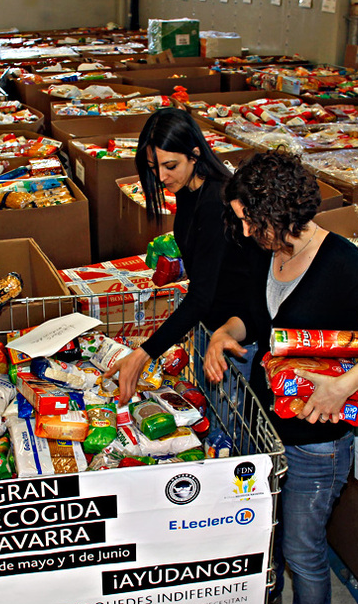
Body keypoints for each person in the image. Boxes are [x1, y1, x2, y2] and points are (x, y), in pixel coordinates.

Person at [204, 150, 358, 604]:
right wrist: (225, 333)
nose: (243, 231)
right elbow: (258, 321)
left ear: (277, 213)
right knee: (270, 540)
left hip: (317, 443)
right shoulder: (270, 251)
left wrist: (341, 388)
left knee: (303, 552)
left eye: (250, 221)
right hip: (267, 427)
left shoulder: (342, 261)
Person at [106, 107, 260, 402]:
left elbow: (202, 296)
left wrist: (143, 355)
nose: (161, 177)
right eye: (153, 167)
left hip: (234, 338)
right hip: (210, 326)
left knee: (227, 429)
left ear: (194, 154)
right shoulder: (189, 189)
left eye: (170, 165)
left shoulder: (216, 201)